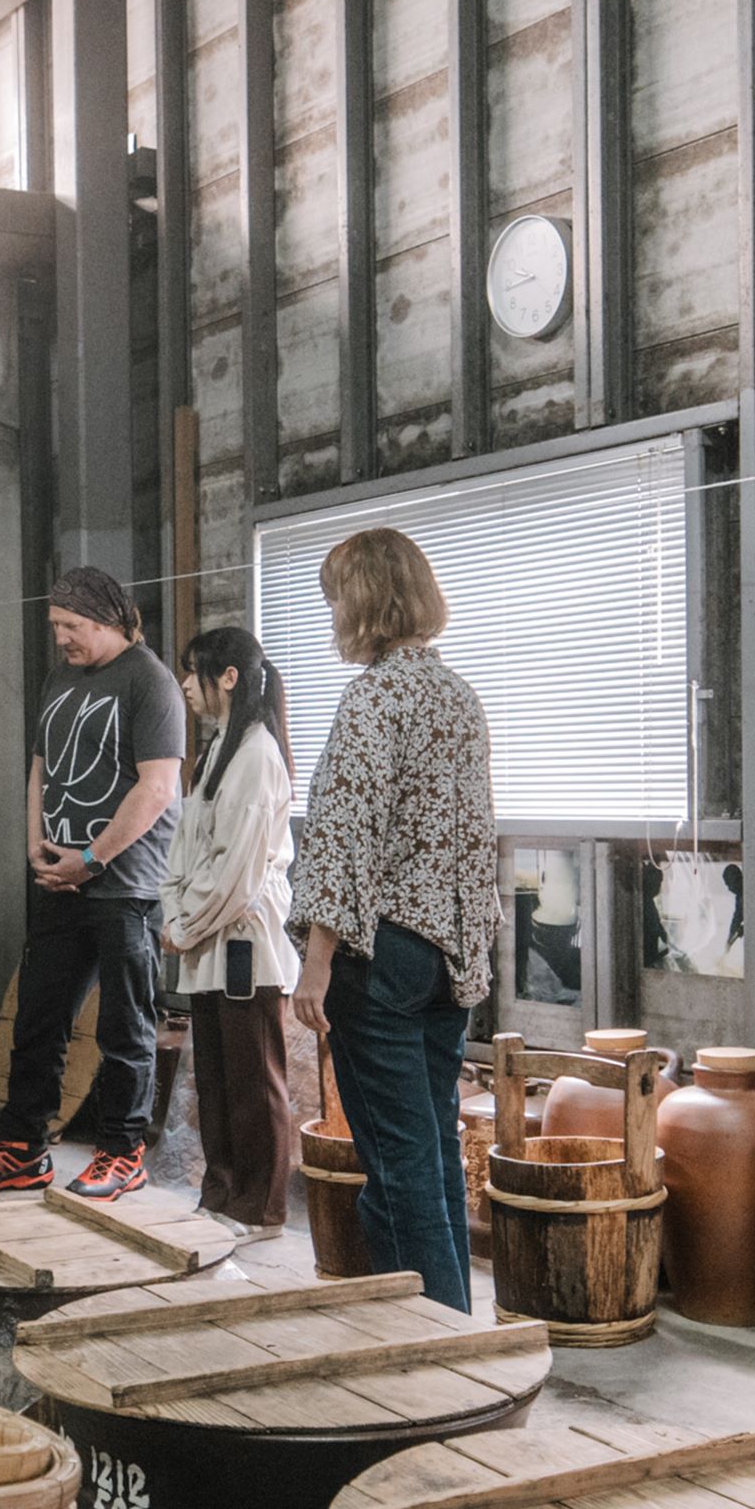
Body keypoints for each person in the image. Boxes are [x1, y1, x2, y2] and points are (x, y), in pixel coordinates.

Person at [290, 529, 497, 1311]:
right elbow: (473, 837)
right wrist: (469, 954)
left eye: (336, 598)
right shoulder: (457, 695)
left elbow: (344, 834)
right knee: (432, 1152)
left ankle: (434, 1349)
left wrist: (315, 967)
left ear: (366, 600)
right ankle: (459, 1325)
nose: (333, 615)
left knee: (397, 1166)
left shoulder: (374, 697)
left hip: (379, 959)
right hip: (449, 959)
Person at [0, 566, 188, 1203]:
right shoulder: (61, 678)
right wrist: (36, 848)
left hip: (123, 887)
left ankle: (122, 1154)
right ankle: (22, 1149)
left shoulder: (150, 683)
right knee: (38, 1018)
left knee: (125, 1028)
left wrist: (90, 861)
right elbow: (40, 767)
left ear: (106, 619)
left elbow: (157, 789)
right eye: (56, 626)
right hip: (59, 882)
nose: (62, 637)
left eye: (72, 626)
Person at [162, 626, 298, 1231]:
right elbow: (185, 851)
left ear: (229, 678)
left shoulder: (257, 755)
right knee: (214, 1079)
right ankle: (219, 1193)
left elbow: (237, 875)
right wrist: (174, 914)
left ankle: (259, 1205)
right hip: (204, 939)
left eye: (195, 672)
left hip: (240, 940)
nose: (186, 684)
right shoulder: (220, 747)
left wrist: (183, 925)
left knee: (252, 1080)